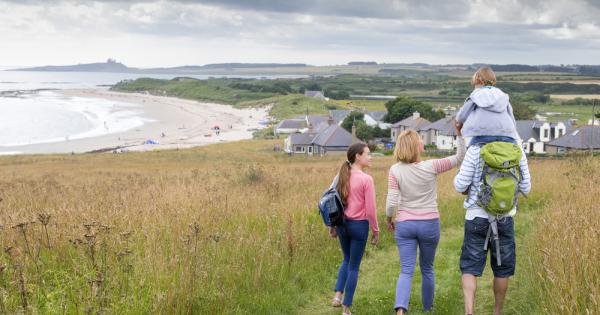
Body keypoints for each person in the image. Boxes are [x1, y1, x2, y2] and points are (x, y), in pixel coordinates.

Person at [385, 124, 465, 314]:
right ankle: (427, 308)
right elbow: (459, 158)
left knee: (406, 270)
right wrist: (460, 134)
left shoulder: (394, 170)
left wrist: (389, 219)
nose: (422, 141)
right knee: (427, 268)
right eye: (419, 139)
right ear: (416, 146)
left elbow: (391, 202)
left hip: (404, 224)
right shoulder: (432, 166)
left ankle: (400, 310)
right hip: (429, 224)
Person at [454, 134, 531, 315]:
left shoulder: (475, 148)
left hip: (476, 217)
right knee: (502, 270)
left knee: (470, 267)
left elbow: (460, 185)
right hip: (505, 218)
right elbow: (526, 187)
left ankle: (469, 311)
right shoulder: (516, 148)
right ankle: (497, 312)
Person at [330, 142, 380, 315]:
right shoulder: (366, 179)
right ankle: (346, 308)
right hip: (359, 226)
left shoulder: (341, 175)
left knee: (346, 260)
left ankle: (337, 296)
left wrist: (332, 225)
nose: (370, 156)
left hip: (342, 225)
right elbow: (371, 210)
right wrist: (376, 230)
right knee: (353, 266)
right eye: (367, 154)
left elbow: (332, 202)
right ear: (358, 156)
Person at [456, 66, 519, 146]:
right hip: (507, 135)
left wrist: (460, 123)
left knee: (470, 155)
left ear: (479, 81)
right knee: (510, 155)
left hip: (483, 134)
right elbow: (512, 119)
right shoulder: (502, 96)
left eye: (474, 84)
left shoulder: (476, 95)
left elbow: (461, 117)